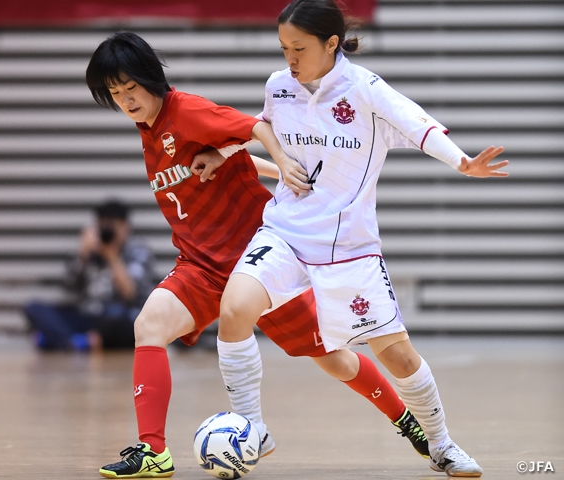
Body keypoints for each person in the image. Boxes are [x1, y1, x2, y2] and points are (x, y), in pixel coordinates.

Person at [85, 31, 429, 479]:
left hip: (256, 266)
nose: (126, 100)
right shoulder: (148, 128)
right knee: (148, 325)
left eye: (131, 89)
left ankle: (407, 420)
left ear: (150, 78)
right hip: (201, 267)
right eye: (115, 94)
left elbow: (254, 127)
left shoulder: (186, 111)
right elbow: (232, 158)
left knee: (336, 359)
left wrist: (285, 163)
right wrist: (268, 168)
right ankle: (153, 451)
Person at [195, 0, 510, 477]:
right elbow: (261, 129)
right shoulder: (279, 87)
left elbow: (417, 124)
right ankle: (253, 429)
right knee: (235, 309)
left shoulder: (365, 90)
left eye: (299, 48)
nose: (290, 59)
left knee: (398, 356)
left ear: (331, 44)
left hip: (348, 250)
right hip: (285, 230)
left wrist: (461, 162)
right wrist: (223, 153)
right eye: (283, 48)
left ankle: (442, 445)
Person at [24, 199, 155, 351]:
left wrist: (111, 256)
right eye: (103, 225)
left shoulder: (137, 251)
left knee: (123, 319)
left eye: (113, 226)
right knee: (34, 308)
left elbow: (130, 293)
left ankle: (60, 341)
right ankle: (74, 343)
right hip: (87, 315)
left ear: (126, 228)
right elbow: (69, 287)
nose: (107, 231)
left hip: (116, 317)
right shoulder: (90, 250)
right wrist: (82, 255)